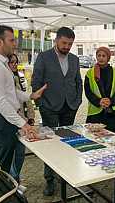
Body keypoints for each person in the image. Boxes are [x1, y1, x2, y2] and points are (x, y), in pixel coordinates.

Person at [0, 25, 46, 173]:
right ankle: (1, 196)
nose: (15, 44)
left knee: (6, 169)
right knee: (0, 173)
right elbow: (1, 101)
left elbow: (10, 92)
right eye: (11, 40)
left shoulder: (1, 63)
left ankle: (9, 193)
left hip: (3, 122)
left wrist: (30, 96)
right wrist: (24, 124)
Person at [31, 27, 83, 196]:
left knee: (68, 143)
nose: (67, 47)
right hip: (49, 108)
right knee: (51, 144)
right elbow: (36, 81)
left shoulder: (74, 59)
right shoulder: (43, 57)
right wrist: (41, 104)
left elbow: (78, 81)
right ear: (56, 40)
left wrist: (77, 101)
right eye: (64, 43)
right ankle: (50, 180)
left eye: (70, 44)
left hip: (70, 107)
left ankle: (65, 175)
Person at [7, 53, 36, 183]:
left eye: (15, 62)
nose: (13, 64)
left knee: (20, 153)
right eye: (11, 62)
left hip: (22, 120)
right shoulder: (5, 79)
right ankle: (12, 183)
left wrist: (30, 116)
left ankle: (16, 180)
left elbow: (26, 98)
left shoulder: (19, 77)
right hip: (11, 121)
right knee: (11, 155)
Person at [84, 46, 115, 135]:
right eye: (99, 55)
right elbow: (88, 91)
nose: (101, 58)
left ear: (108, 58)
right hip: (95, 113)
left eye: (103, 56)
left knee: (114, 138)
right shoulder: (90, 73)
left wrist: (111, 101)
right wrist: (99, 101)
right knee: (94, 139)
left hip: (112, 112)